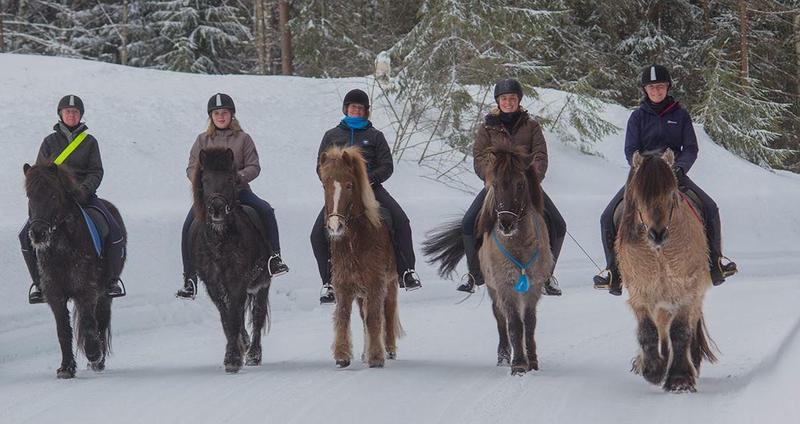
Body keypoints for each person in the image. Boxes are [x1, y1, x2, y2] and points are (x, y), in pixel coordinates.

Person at [593, 64, 738, 295]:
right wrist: (638, 165)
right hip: (643, 177)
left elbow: (690, 147)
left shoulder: (680, 115)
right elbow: (630, 149)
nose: (656, 91)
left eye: (660, 87)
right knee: (607, 216)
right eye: (652, 87)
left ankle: (716, 262)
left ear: (667, 87)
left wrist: (680, 167)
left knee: (709, 207)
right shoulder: (637, 117)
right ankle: (613, 272)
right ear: (645, 90)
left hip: (674, 174)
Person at [311, 89, 422, 304]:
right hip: (342, 193)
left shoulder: (375, 136)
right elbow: (320, 165)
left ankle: (407, 271)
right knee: (317, 234)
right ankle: (328, 282)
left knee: (400, 220)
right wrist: (331, 181)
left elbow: (387, 166)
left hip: (371, 189)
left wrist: (369, 179)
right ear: (346, 109)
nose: (356, 111)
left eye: (360, 108)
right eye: (353, 107)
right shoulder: (331, 135)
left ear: (366, 112)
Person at [456, 79, 566, 296]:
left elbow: (540, 155)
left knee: (558, 224)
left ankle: (547, 275)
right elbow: (479, 158)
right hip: (496, 186)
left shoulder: (532, 126)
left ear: (519, 101)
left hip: (525, 186)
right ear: (498, 101)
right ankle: (473, 274)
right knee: (469, 222)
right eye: (504, 99)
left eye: (512, 98)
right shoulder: (487, 128)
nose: (508, 102)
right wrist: (493, 177)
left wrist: (532, 179)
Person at [176, 93, 289, 300]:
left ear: (232, 115)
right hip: (209, 197)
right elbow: (191, 167)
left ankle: (274, 257)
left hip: (239, 192)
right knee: (188, 226)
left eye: (225, 113)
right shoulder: (202, 140)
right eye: (217, 113)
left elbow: (254, 166)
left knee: (265, 210)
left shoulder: (243, 139)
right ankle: (189, 278)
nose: (221, 117)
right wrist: (202, 179)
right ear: (211, 116)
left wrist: (239, 177)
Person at [22, 94, 126, 304]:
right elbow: (40, 173)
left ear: (80, 115)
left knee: (114, 231)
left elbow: (96, 171)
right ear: (60, 114)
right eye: (68, 111)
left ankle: (112, 279)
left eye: (75, 112)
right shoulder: (49, 142)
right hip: (55, 202)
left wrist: (84, 190)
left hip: (84, 197)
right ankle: (39, 284)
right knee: (24, 235)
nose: (71, 115)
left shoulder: (89, 142)